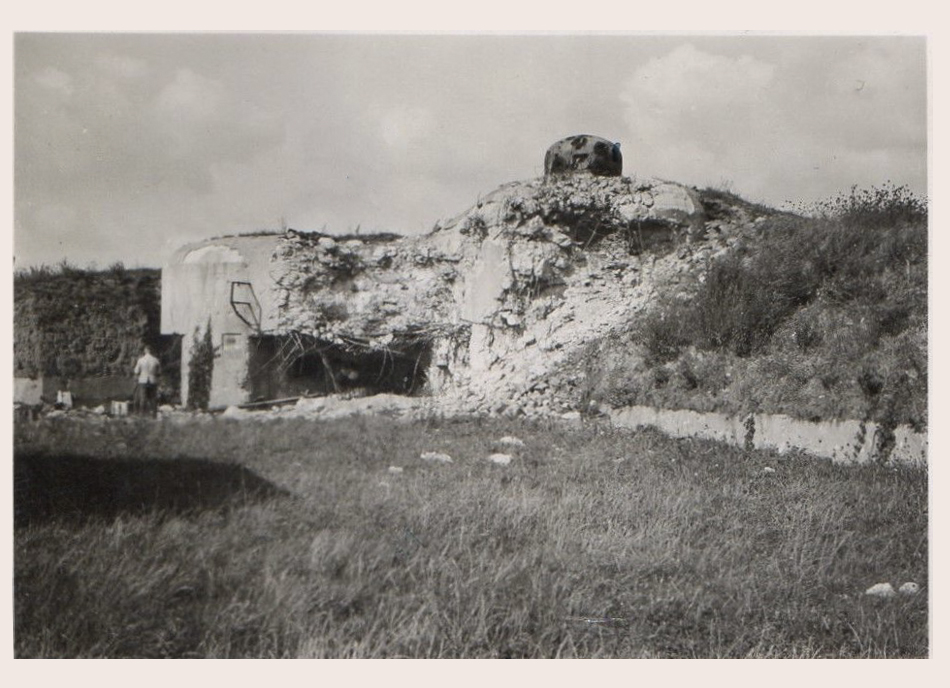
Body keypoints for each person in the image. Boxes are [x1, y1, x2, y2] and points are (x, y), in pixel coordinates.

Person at [132, 345, 161, 417]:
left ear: (145, 350)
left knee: (143, 398)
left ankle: (142, 414)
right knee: (153, 398)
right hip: (153, 380)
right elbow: (159, 372)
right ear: (151, 351)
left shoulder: (141, 360)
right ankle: (154, 415)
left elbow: (136, 371)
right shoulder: (156, 360)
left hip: (143, 380)